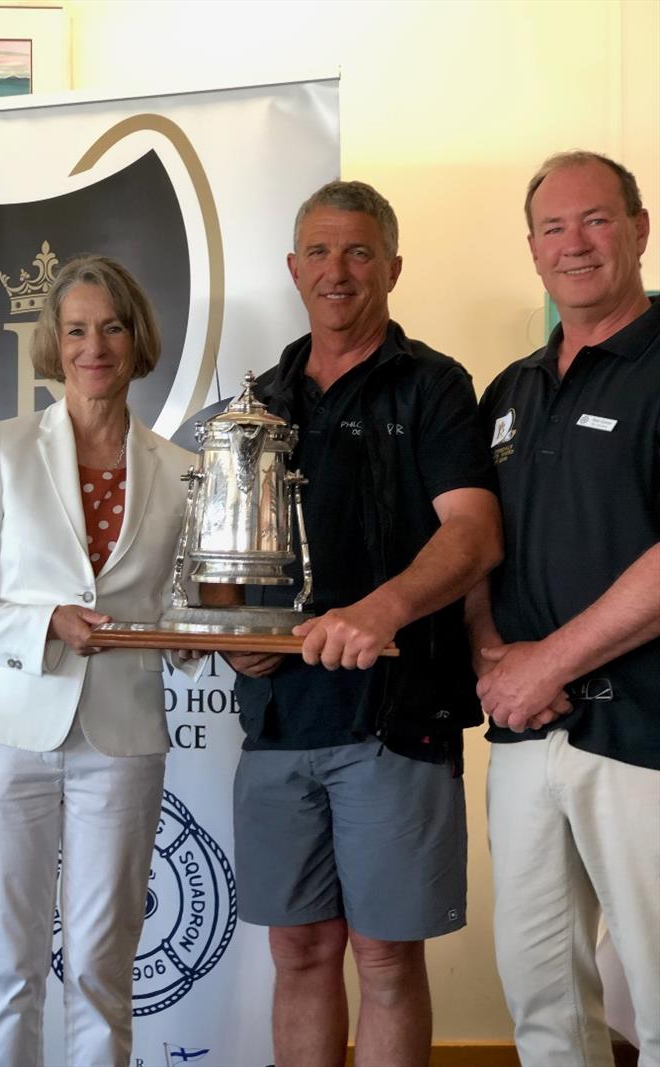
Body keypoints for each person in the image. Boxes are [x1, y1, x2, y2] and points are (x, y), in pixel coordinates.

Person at [226, 180, 503, 1067]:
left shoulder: (434, 386)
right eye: (318, 252)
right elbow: (232, 568)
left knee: (386, 958)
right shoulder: (261, 400)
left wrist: (380, 607)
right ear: (292, 268)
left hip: (395, 720)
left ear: (391, 265)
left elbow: (474, 532)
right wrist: (244, 645)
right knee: (297, 951)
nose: (336, 271)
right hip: (278, 727)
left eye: (356, 252)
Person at [0, 254, 194, 1066]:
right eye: (76, 329)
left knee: (101, 970)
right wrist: (47, 622)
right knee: (10, 970)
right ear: (53, 342)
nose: (94, 346)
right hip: (8, 736)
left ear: (136, 339)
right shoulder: (2, 448)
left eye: (111, 326)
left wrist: (213, 635)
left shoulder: (184, 473)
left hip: (121, 742)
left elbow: (180, 617)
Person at [465, 151, 660, 1065]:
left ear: (639, 230)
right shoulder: (511, 390)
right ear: (533, 250)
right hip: (524, 736)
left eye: (595, 220)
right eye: (553, 227)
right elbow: (477, 544)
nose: (573, 243)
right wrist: (492, 658)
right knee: (542, 997)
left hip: (643, 738)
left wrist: (548, 662)